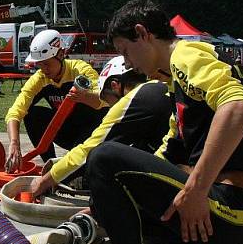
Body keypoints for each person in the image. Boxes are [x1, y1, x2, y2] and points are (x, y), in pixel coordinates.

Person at [71, 0, 243, 244]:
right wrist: (103, 203)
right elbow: (162, 157)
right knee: (115, 187)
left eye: (126, 52)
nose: (128, 64)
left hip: (230, 209)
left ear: (143, 34)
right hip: (235, 219)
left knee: (103, 157)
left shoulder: (185, 54)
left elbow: (239, 109)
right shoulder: (176, 88)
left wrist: (196, 190)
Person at [28, 55, 172, 194]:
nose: (107, 104)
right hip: (176, 165)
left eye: (104, 97)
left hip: (171, 178)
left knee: (102, 153)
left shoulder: (128, 102)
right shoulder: (159, 87)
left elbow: (88, 149)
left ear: (115, 86)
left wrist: (46, 181)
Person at [4, 29, 107, 172]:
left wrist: (83, 96)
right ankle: (50, 165)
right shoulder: (40, 79)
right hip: (67, 131)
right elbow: (16, 111)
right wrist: (14, 144)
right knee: (32, 115)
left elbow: (103, 101)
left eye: (46, 63)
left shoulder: (80, 70)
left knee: (76, 171)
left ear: (61, 54)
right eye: (39, 64)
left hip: (92, 132)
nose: (43, 69)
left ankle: (79, 165)